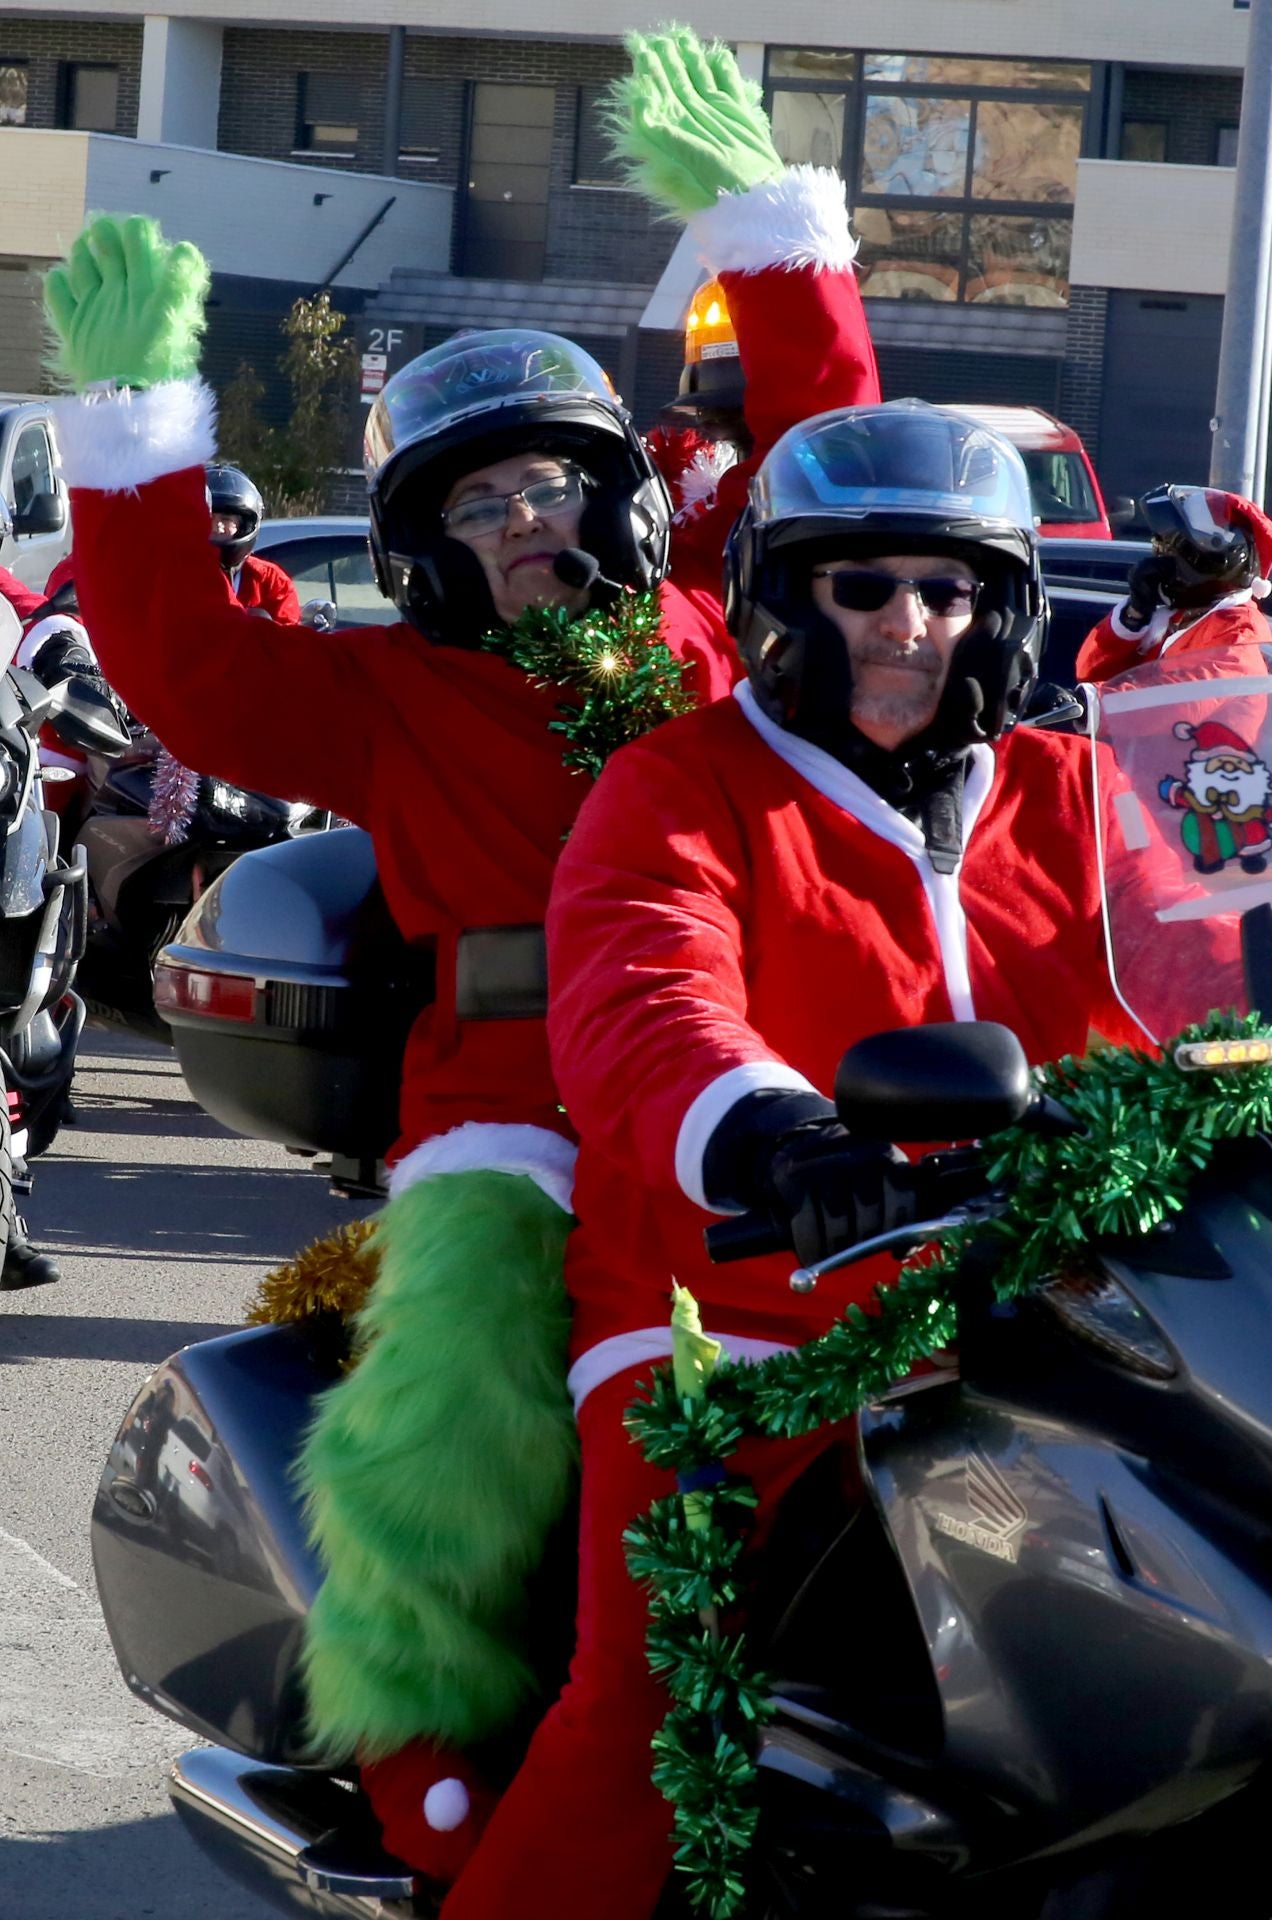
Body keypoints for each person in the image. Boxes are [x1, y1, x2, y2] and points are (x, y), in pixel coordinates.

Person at [41, 25, 879, 1896]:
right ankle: (439, 1810)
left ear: (631, 496)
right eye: (483, 506)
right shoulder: (383, 696)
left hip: (758, 1092)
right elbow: (181, 661)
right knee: (454, 1427)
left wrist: (768, 237)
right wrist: (136, 423)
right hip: (515, 1116)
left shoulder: (716, 627)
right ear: (424, 551)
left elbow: (835, 454)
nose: (530, 526)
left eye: (559, 487)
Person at [541, 401, 1156, 1920]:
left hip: (1058, 1313)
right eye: (863, 586)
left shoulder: (1076, 798)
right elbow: (644, 990)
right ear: (782, 599)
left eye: (947, 591)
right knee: (658, 1694)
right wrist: (771, 1129)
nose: (909, 624)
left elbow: (1217, 961)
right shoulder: (683, 785)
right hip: (738, 1314)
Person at [1076, 482, 1272, 685]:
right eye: (1157, 548)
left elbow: (1177, 699)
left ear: (1205, 561)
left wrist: (1091, 703)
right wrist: (1135, 614)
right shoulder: (1182, 617)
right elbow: (1090, 671)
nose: (1157, 561)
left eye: (1166, 551)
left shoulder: (1240, 632)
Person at [205, 463, 301, 621]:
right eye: (209, 518)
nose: (217, 527)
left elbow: (289, 638)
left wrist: (259, 625)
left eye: (226, 519)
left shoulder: (270, 581)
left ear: (244, 525)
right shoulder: (174, 573)